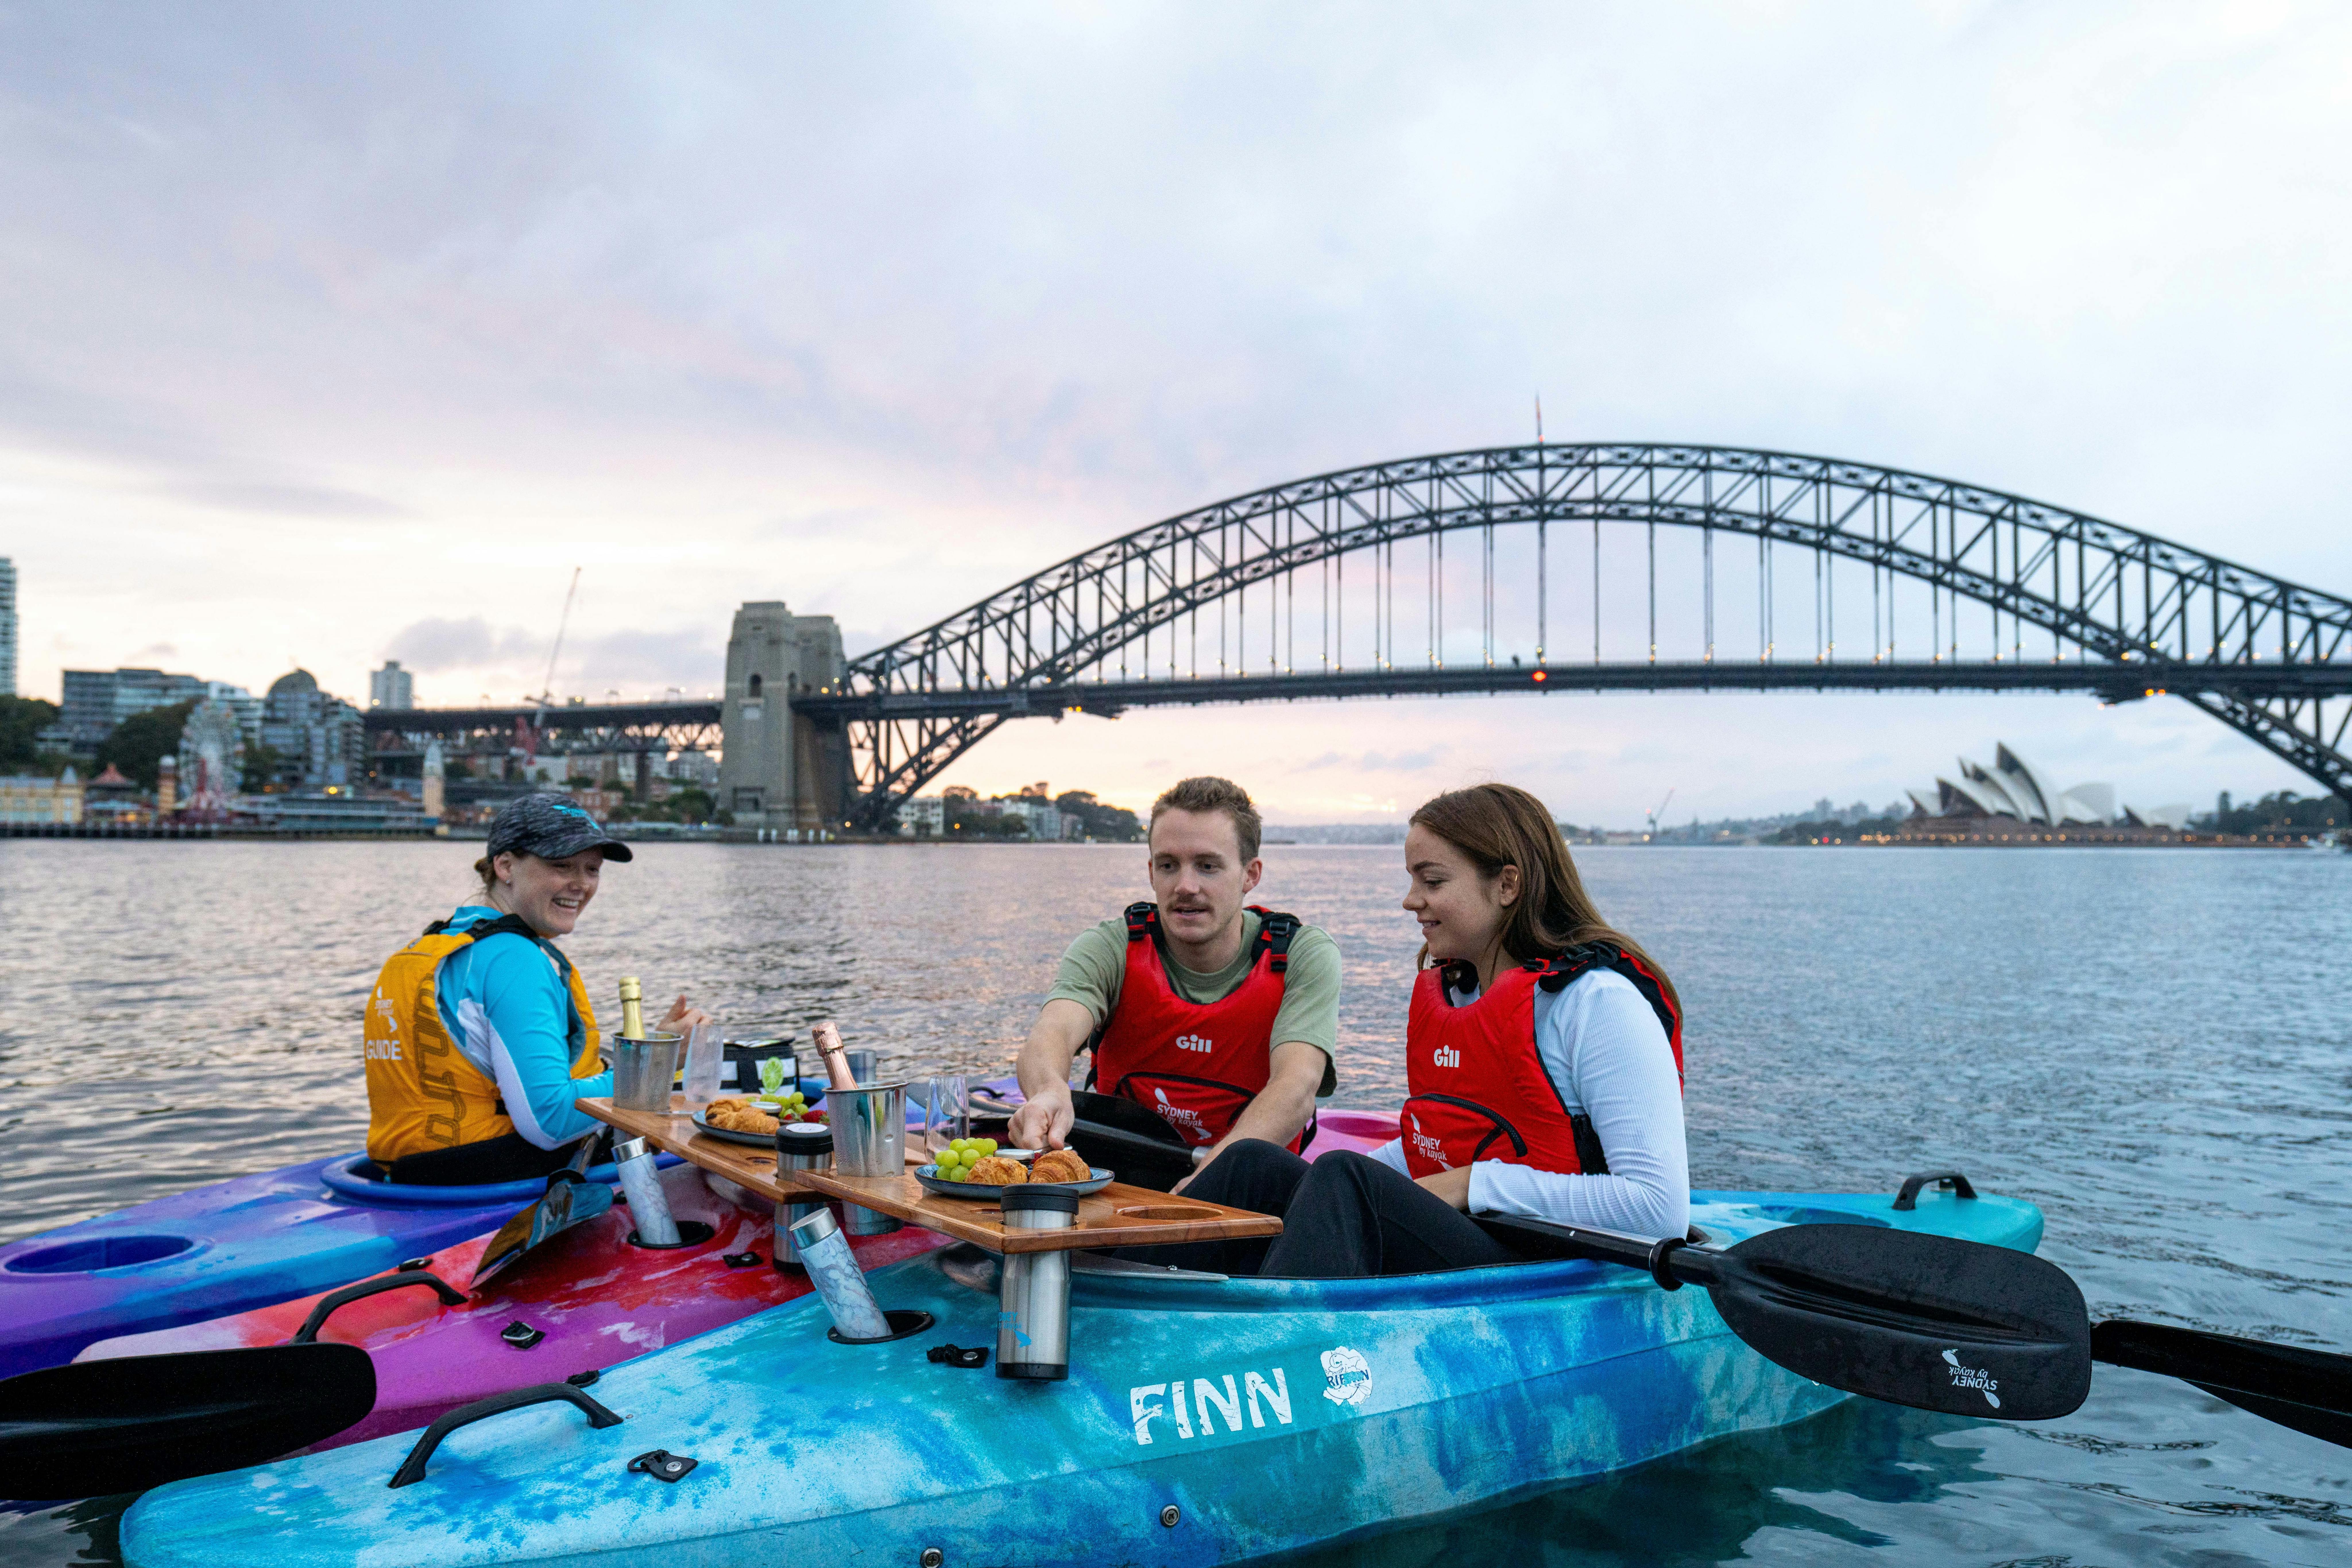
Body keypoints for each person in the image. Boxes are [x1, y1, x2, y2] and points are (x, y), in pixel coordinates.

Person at [1172, 782, 1688, 1277]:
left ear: (1507, 885)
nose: (1411, 899)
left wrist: (1473, 1183)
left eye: (1433, 881)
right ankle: (1133, 1285)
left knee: (1344, 1178)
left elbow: (1658, 1208)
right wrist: (1330, 1187)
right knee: (1254, 1163)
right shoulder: (1461, 993)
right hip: (1474, 1234)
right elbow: (1431, 1145)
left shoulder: (1599, 1004)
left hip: (1548, 1264)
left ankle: (1272, 1347)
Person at [1007, 777, 1341, 1193]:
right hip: (1118, 1182)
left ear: (1250, 874)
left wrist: (1208, 1180)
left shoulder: (1303, 954)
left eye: (1208, 865)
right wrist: (1049, 1090)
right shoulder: (1108, 945)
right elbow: (1052, 1032)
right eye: (1169, 865)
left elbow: (1297, 1087)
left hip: (1243, 1192)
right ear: (1151, 872)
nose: (1186, 886)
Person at [364, 792, 712, 1185]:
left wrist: (647, 1050)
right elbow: (551, 1120)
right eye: (561, 865)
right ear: (506, 865)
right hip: (484, 1186)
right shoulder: (512, 958)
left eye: (593, 869)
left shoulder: (439, 945)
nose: (581, 884)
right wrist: (659, 1064)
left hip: (408, 1175)